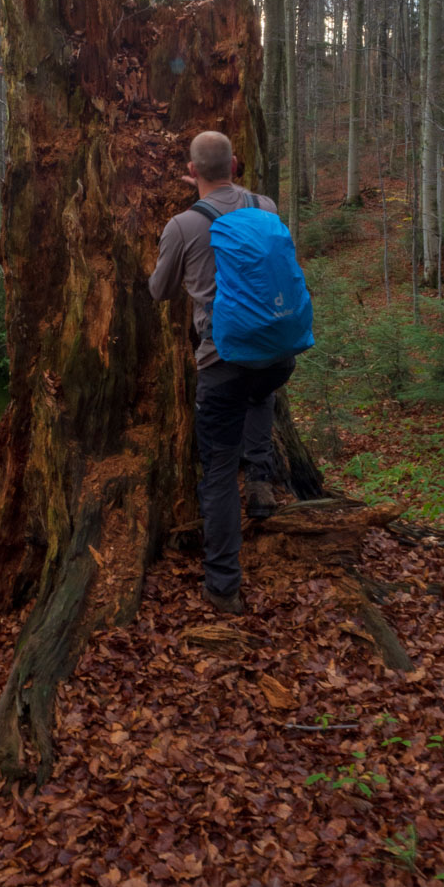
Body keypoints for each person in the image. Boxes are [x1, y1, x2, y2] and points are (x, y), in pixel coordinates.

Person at [148, 130, 296, 615]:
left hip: (221, 364)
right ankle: (260, 479)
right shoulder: (266, 205)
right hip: (280, 354)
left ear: (191, 172)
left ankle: (224, 586)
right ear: (235, 167)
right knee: (261, 392)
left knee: (215, 471)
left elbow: (159, 291)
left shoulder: (184, 225)